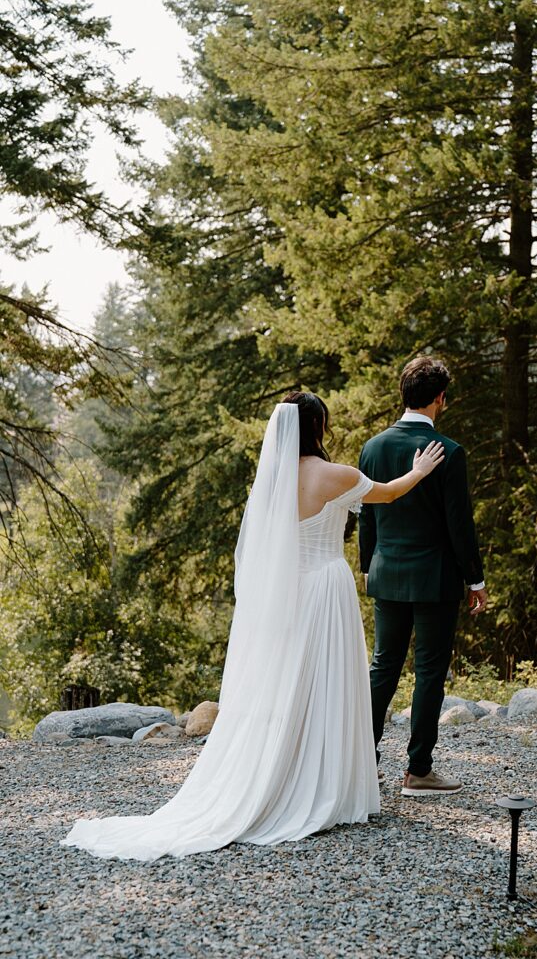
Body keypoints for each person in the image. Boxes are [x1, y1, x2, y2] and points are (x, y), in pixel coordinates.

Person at [61, 392, 444, 861]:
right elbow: (388, 492)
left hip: (291, 593)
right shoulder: (335, 475)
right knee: (326, 685)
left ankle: (286, 774)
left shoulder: (273, 482)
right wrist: (420, 471)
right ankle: (321, 784)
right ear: (317, 427)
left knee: (291, 685)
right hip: (326, 588)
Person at [359, 357, 487, 797]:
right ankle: (418, 771)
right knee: (429, 671)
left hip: (387, 573)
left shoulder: (372, 448)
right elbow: (459, 524)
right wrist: (476, 580)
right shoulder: (449, 452)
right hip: (435, 578)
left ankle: (361, 762)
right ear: (439, 398)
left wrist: (366, 565)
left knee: (382, 668)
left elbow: (368, 516)